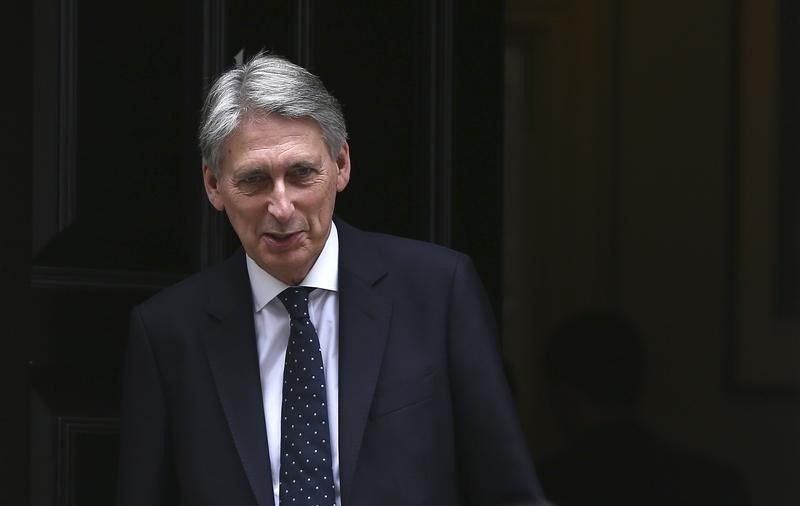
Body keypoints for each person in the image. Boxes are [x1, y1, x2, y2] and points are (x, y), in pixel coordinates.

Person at [117, 52, 545, 506]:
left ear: (341, 165)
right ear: (213, 186)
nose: (281, 208)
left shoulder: (438, 292)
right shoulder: (168, 333)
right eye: (255, 180)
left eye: (302, 174)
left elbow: (507, 491)